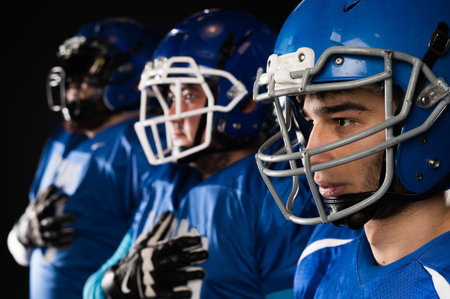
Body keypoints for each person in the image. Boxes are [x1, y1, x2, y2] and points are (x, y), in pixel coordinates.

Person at [83, 8, 316, 299]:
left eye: (190, 95)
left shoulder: (280, 192)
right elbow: (90, 289)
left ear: (246, 103)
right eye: (170, 97)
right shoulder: (163, 181)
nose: (171, 114)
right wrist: (115, 284)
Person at [252, 0, 450, 297]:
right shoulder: (323, 251)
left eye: (343, 120)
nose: (313, 155)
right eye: (309, 121)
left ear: (430, 115)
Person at [7, 18, 160, 299]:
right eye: (72, 72)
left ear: (130, 74)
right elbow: (23, 252)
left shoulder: (138, 142)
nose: (72, 84)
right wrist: (21, 235)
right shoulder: (63, 137)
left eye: (85, 72)